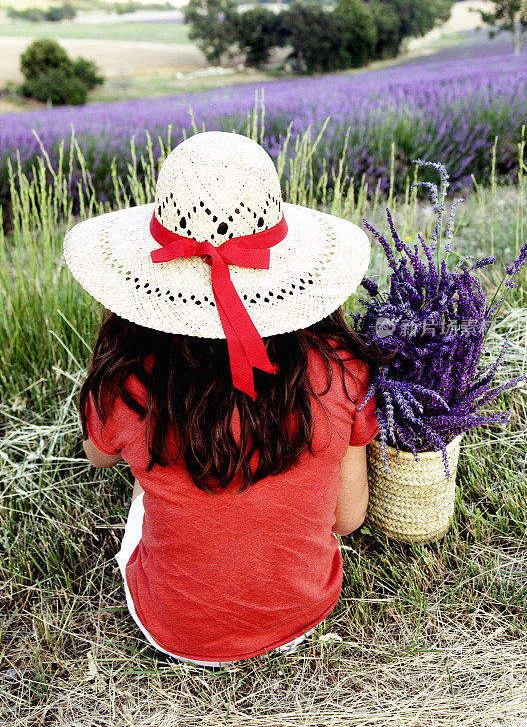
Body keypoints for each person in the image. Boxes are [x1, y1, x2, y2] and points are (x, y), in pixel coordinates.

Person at [62, 130, 388, 669]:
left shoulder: (131, 380)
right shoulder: (339, 367)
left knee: (147, 490)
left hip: (172, 629)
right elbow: (348, 519)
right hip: (305, 614)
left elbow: (97, 455)